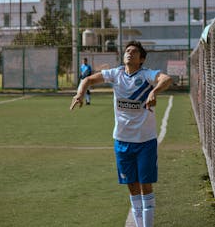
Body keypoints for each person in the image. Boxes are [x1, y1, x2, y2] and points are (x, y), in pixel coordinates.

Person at [70, 41, 172, 227]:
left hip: (145, 141)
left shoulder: (146, 75)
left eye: (134, 52)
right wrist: (80, 94)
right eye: (127, 51)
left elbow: (166, 79)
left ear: (141, 59)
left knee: (146, 186)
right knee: (132, 187)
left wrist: (154, 92)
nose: (129, 53)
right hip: (122, 141)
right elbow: (87, 80)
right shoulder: (116, 73)